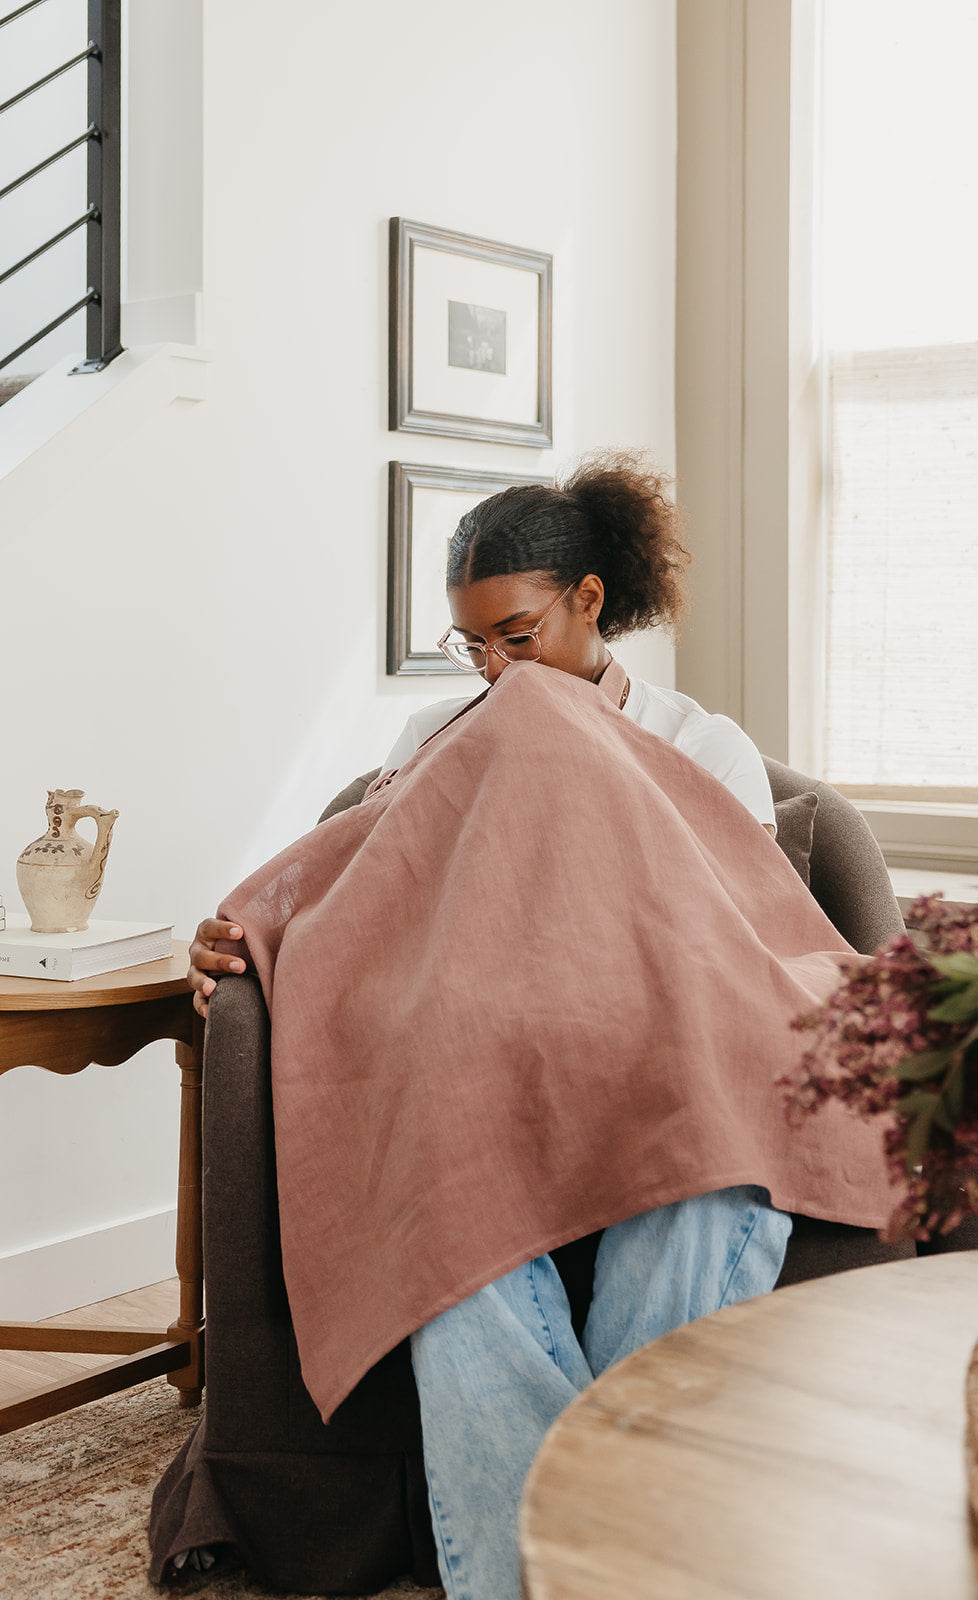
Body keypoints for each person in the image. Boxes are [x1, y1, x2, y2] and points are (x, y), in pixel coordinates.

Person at [186, 453, 792, 1600]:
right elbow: (360, 899)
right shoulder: (428, 740)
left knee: (704, 1204)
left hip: (662, 1077)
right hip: (476, 1087)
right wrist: (249, 932)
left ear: (590, 601)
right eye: (471, 646)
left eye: (517, 636)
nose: (495, 669)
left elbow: (740, 938)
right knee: (450, 1256)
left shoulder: (699, 744)